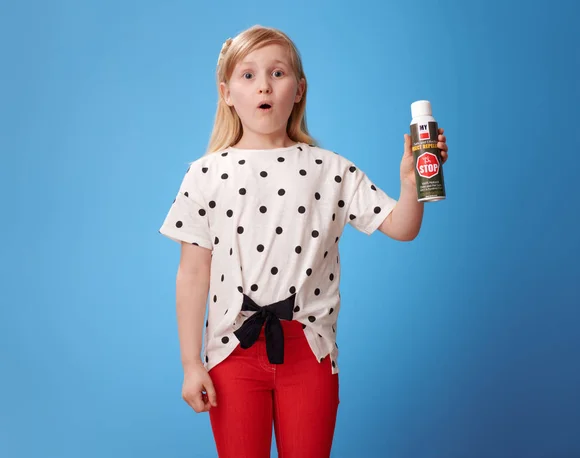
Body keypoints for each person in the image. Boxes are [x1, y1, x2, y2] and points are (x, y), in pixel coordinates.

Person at [158, 24, 449, 458]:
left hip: (309, 352)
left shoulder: (331, 169)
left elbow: (402, 227)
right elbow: (193, 271)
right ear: (226, 92)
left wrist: (411, 183)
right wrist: (189, 364)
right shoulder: (204, 174)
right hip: (231, 353)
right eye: (249, 74)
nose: (264, 85)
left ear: (299, 89)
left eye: (278, 73)